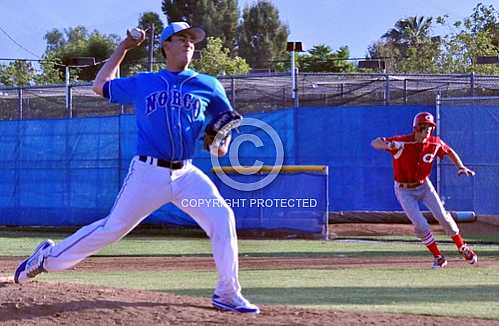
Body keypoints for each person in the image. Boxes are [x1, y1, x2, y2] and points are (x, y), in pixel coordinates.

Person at [14, 22, 260, 314]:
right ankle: (46, 258)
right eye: (181, 38)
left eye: (191, 39)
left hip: (186, 174)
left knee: (222, 218)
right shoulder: (144, 81)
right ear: (165, 46)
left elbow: (225, 125)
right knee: (112, 229)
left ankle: (227, 293)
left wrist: (222, 143)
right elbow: (99, 85)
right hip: (148, 174)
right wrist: (124, 48)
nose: (188, 43)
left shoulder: (209, 85)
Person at [371, 112, 478, 269]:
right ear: (416, 128)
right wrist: (388, 144)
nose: (427, 131)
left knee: (443, 217)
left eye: (429, 128)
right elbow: (375, 143)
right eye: (423, 128)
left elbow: (448, 151)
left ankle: (463, 247)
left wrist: (460, 166)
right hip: (404, 189)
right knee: (420, 225)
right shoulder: (403, 143)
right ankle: (438, 257)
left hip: (424, 185)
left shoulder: (434, 143)